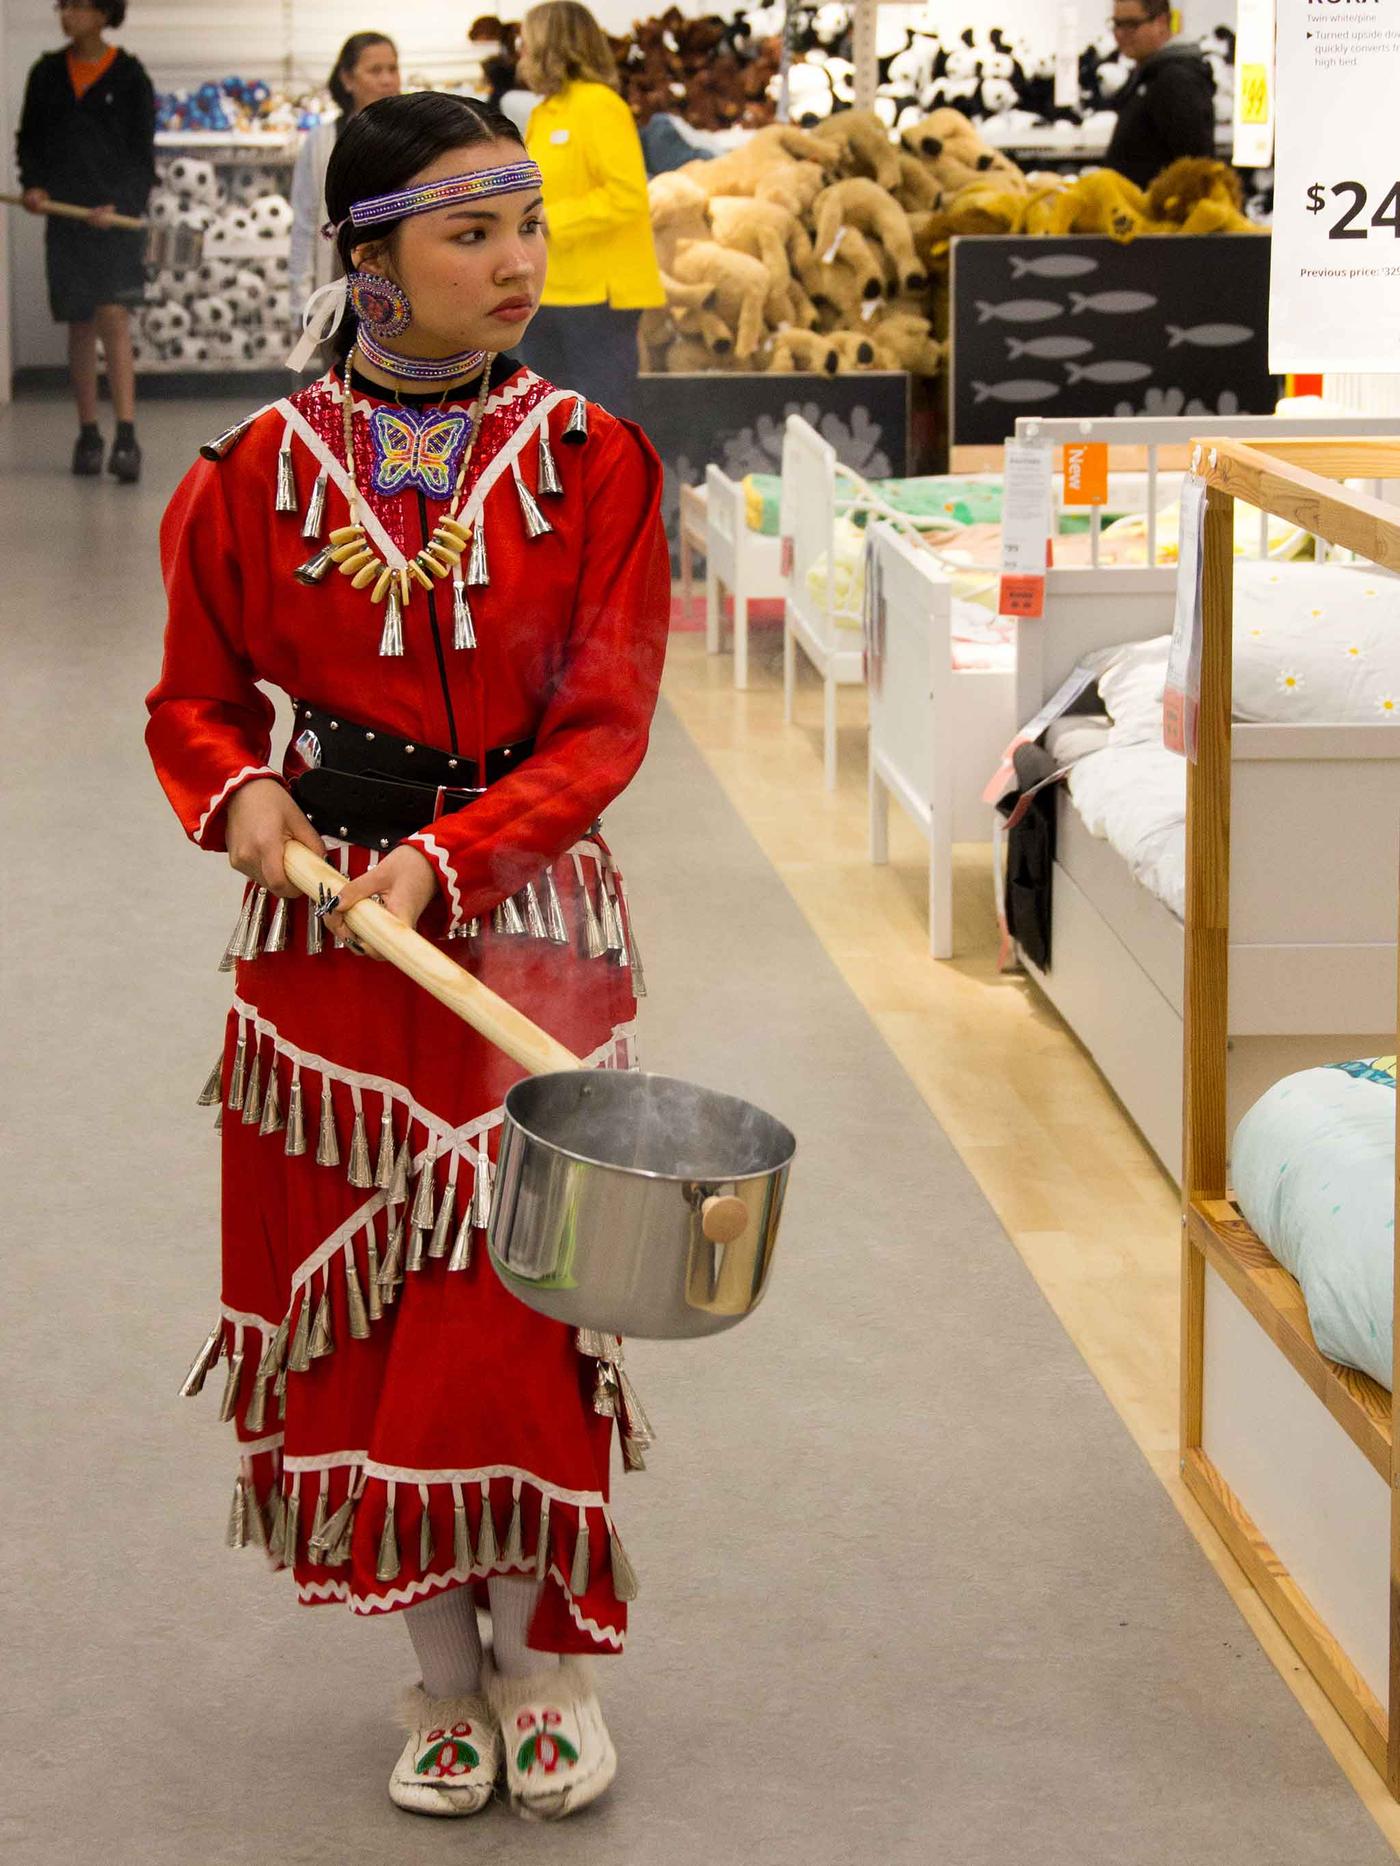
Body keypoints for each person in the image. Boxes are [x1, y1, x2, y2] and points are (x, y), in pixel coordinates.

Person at [147, 89, 669, 1823]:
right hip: (325, 958)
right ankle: (440, 1671)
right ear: (366, 261)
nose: (521, 262)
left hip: (522, 943)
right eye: (473, 232)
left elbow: (602, 726)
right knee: (357, 1309)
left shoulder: (596, 462)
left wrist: (456, 857)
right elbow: (194, 700)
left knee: (523, 1306)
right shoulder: (250, 472)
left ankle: (550, 1660)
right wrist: (238, 791)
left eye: (529, 226)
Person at [16, 0, 155, 482]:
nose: (66, 15)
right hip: (66, 218)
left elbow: (141, 154)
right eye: (63, 6)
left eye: (77, 5)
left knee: (113, 318)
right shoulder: (47, 74)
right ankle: (89, 433)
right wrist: (34, 185)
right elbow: (29, 141)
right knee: (78, 323)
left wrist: (122, 204)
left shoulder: (130, 76)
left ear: (102, 13)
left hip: (115, 221)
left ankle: (127, 435)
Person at [516, 0, 664, 423]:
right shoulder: (544, 113)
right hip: (550, 290)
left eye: (527, 42)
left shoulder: (600, 105)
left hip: (598, 298)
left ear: (551, 44)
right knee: (551, 422)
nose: (521, 52)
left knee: (601, 423)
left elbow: (627, 194)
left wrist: (551, 218)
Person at [288, 32, 400, 324]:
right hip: (339, 287)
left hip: (402, 283)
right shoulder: (321, 142)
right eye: (375, 70)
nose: (388, 80)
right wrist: (301, 301)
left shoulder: (415, 139)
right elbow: (305, 221)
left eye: (393, 69)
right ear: (347, 79)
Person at [1102, 0, 1215, 191]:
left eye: (1131, 24)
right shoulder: (1148, 76)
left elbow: (1195, 166)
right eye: (1117, 24)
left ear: (1161, 22)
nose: (1120, 33)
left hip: (1158, 207)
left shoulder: (1176, 80)